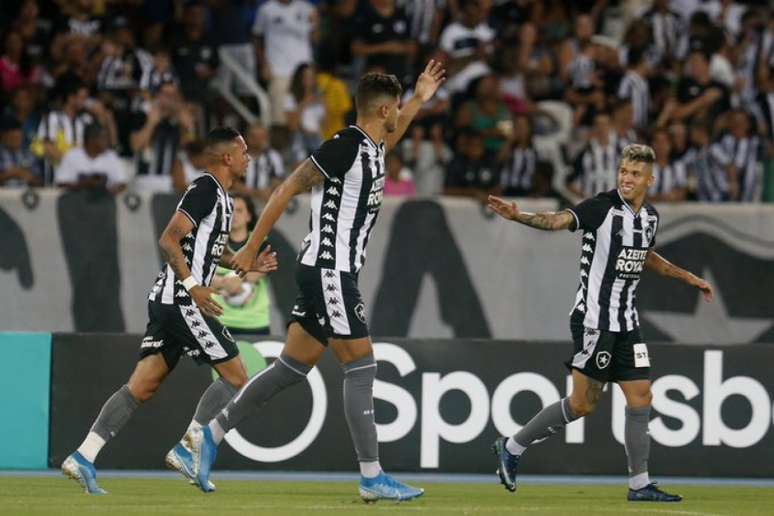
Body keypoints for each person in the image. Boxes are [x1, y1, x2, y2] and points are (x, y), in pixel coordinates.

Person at [187, 61, 446, 502]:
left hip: (326, 269)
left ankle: (210, 435)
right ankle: (371, 476)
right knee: (362, 365)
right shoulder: (345, 146)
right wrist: (250, 247)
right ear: (383, 111)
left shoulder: (374, 148)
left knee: (291, 366)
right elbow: (287, 187)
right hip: (330, 269)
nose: (399, 115)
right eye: (397, 108)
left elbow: (396, 130)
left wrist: (420, 97)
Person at [487, 143, 714, 503]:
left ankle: (639, 485)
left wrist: (687, 277)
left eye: (635, 173)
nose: (626, 178)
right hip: (594, 320)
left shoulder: (650, 217)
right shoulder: (601, 208)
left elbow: (645, 255)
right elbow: (558, 219)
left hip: (627, 322)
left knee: (641, 397)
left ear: (649, 180)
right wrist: (519, 215)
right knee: (582, 404)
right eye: (623, 171)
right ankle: (513, 446)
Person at [60, 127, 278, 495]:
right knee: (237, 374)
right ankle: (188, 447)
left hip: (171, 299)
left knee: (142, 386)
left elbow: (209, 251)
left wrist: (245, 262)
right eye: (243, 151)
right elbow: (168, 239)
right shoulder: (205, 189)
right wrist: (194, 287)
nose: (248, 157)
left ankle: (83, 456)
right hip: (181, 300)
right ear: (227, 157)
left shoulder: (223, 197)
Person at [211, 194, 273, 336]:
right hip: (219, 321)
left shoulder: (260, 242)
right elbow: (201, 276)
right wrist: (225, 281)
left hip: (255, 323)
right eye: (230, 211)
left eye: (239, 211)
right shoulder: (213, 242)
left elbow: (264, 268)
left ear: (248, 216)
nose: (234, 216)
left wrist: (231, 280)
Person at [55, 123, 127, 195]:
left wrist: (107, 191)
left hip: (103, 200)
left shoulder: (111, 156)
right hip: (76, 200)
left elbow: (122, 184)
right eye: (104, 138)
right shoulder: (72, 155)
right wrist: (85, 183)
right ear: (91, 139)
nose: (107, 141)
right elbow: (61, 183)